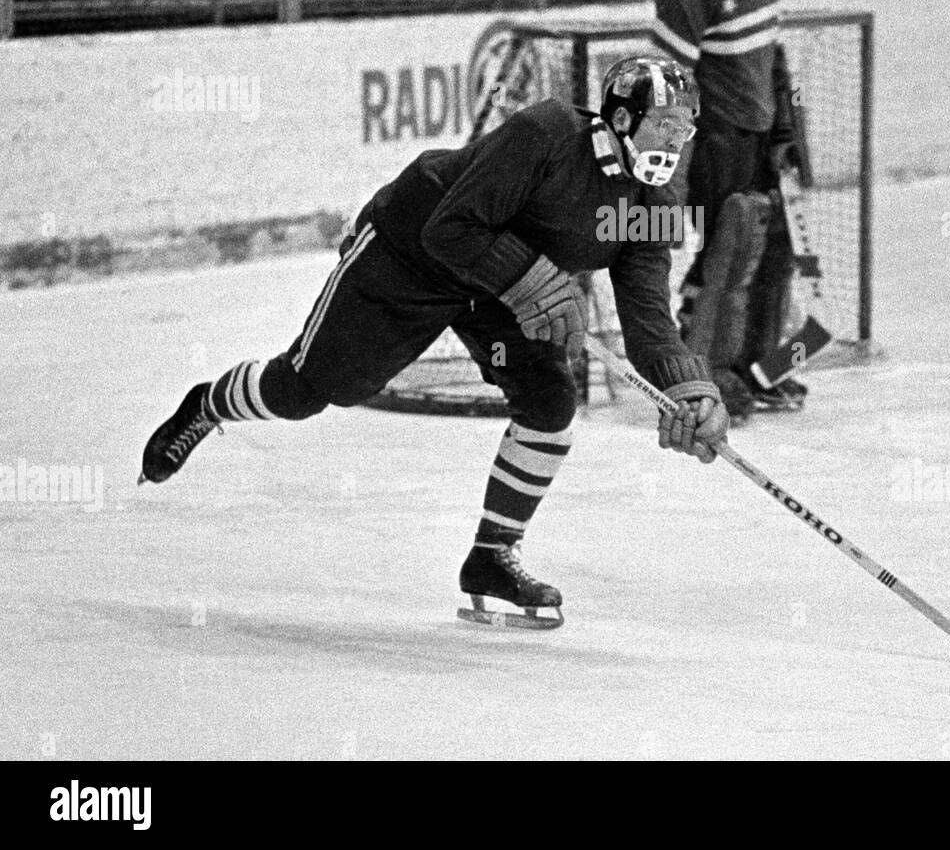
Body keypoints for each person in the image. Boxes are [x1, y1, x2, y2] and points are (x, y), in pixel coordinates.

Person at [140, 56, 729, 629]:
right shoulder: (546, 134)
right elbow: (451, 227)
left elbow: (648, 315)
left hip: (502, 291)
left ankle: (492, 557)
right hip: (413, 253)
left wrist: (689, 389)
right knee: (307, 390)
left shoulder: (657, 200)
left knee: (550, 405)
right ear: (622, 120)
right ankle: (207, 404)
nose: (675, 145)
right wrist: (531, 281)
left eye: (685, 130)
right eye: (665, 126)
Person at [649, 0, 807, 423]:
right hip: (716, 140)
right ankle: (699, 375)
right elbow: (669, 85)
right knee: (725, 255)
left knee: (778, 251)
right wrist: (670, 174)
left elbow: (774, 53)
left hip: (763, 136)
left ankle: (761, 367)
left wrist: (788, 129)